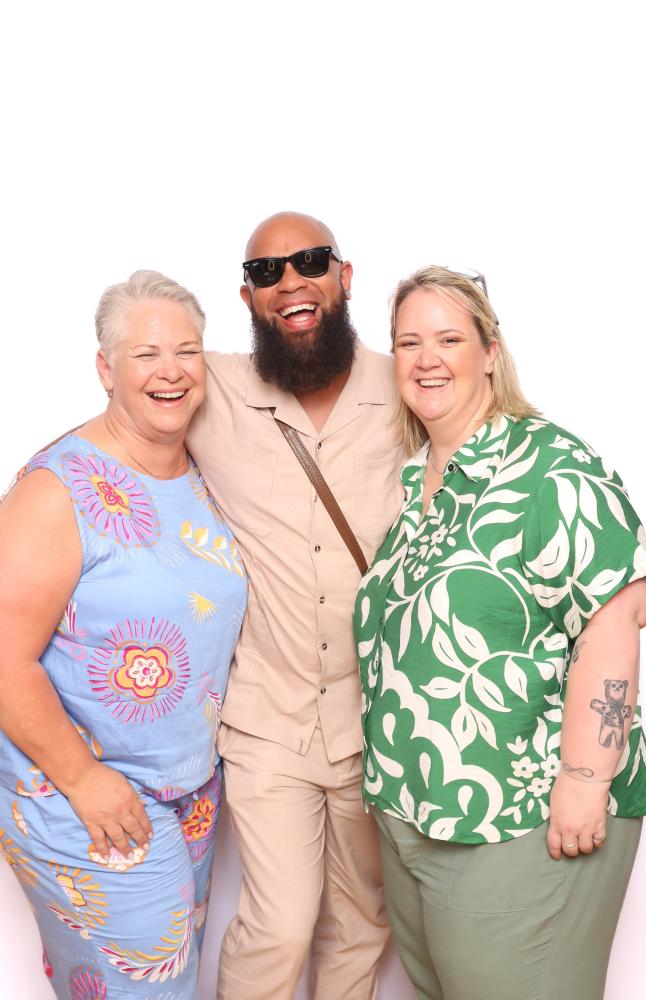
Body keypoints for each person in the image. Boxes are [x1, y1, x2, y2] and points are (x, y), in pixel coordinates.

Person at [353, 266, 646, 1000]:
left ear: (490, 352)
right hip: (415, 814)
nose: (426, 359)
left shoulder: (548, 465)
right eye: (408, 343)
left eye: (449, 339)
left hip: (520, 816)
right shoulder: (415, 482)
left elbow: (617, 616)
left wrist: (585, 780)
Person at [0, 271, 247, 999]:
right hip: (84, 794)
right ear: (106, 370)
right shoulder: (57, 491)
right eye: (145, 354)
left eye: (186, 351)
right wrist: (84, 780)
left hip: (189, 793)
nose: (170, 370)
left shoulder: (201, 472)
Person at [187, 212, 404, 999]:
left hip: (378, 719)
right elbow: (130, 414)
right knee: (278, 925)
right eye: (266, 271)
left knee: (363, 923)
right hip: (266, 720)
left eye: (309, 261)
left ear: (343, 276)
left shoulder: (406, 386)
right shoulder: (208, 388)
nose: (290, 282)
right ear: (247, 298)